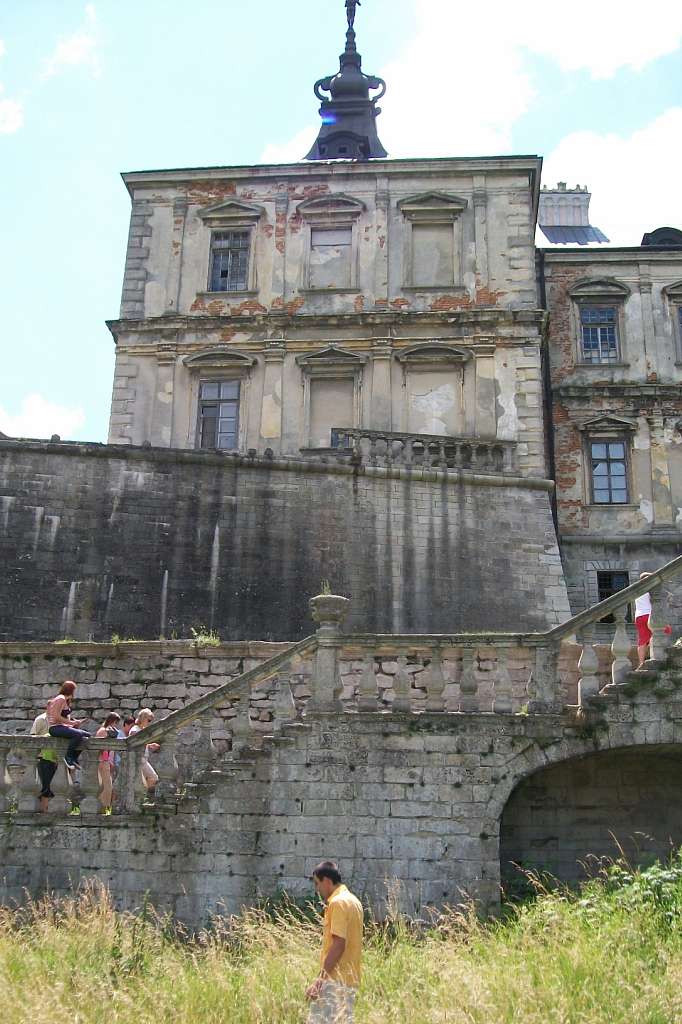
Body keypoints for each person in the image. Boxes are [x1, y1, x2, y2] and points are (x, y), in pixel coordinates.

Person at [306, 860, 363, 1024]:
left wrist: (319, 981)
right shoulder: (354, 902)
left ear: (327, 881)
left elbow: (338, 944)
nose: (317, 889)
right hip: (349, 980)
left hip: (334, 981)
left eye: (318, 884)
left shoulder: (337, 903)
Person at [46, 681, 90, 770]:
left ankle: (74, 758)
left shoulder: (64, 700)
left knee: (87, 735)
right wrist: (71, 723)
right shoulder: (61, 699)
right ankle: (68, 757)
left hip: (61, 726)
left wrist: (74, 722)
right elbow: (56, 716)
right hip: (55, 728)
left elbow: (62, 718)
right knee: (78, 734)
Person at [30, 711, 58, 812]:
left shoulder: (57, 719)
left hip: (55, 757)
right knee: (46, 786)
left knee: (54, 786)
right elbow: (32, 737)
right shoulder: (41, 719)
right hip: (43, 757)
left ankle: (49, 810)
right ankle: (44, 811)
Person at [128, 708, 160, 796]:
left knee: (152, 778)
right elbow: (134, 745)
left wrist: (150, 745)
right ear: (143, 718)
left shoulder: (140, 729)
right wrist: (148, 744)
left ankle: (144, 797)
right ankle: (144, 798)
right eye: (149, 720)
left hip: (143, 759)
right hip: (138, 760)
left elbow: (141, 744)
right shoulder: (135, 730)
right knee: (149, 779)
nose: (149, 722)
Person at [96, 712, 121, 812]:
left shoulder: (106, 730)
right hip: (102, 761)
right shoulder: (103, 731)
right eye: (116, 722)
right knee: (107, 787)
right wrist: (107, 760)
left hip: (105, 761)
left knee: (105, 786)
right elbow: (101, 748)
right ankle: (103, 808)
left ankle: (103, 808)